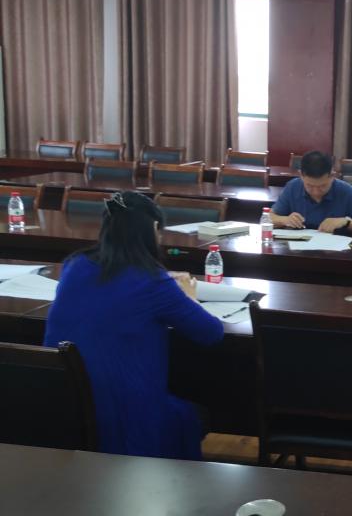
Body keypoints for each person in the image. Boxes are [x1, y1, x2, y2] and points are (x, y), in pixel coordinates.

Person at [44, 191, 224, 460]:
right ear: (153, 228)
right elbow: (211, 333)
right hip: (127, 420)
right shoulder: (152, 281)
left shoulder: (74, 266)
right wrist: (188, 298)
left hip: (66, 409)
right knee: (191, 415)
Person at [270, 150, 352, 234]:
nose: (316, 192)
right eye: (309, 186)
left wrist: (346, 222)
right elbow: (269, 218)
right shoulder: (293, 187)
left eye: (322, 186)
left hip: (337, 253)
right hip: (298, 251)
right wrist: (285, 220)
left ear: (332, 176)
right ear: (301, 175)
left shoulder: (346, 192)